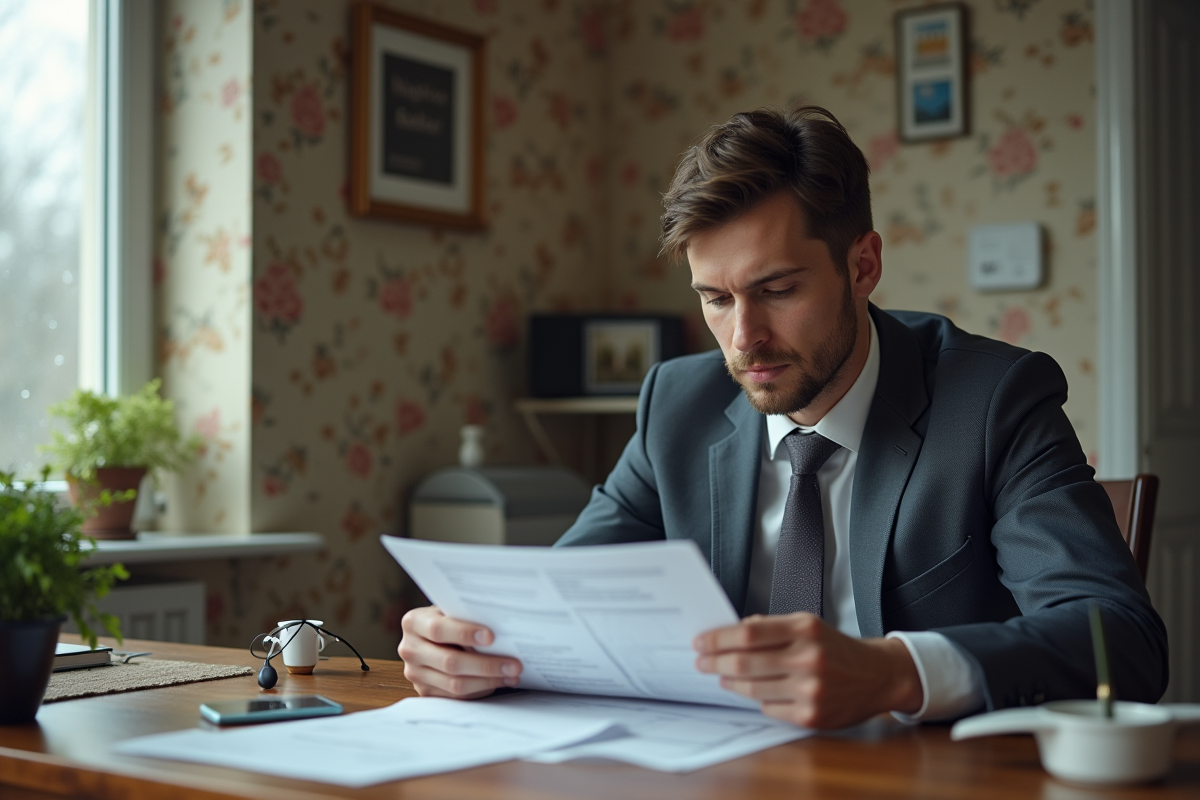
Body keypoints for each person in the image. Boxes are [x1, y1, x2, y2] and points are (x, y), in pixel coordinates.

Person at [398, 106, 1168, 729]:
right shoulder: (678, 404)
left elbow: (1120, 641)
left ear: (861, 266)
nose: (744, 340)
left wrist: (899, 671)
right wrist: (468, 645)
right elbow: (555, 602)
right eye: (716, 298)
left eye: (777, 290)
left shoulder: (996, 399)